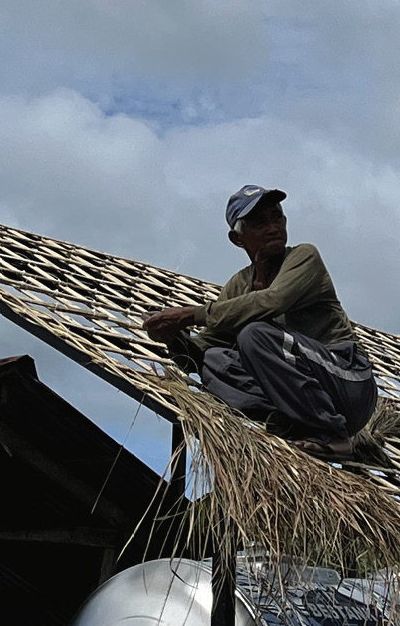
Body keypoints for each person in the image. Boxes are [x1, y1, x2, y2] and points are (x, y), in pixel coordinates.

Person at [144, 186, 377, 459]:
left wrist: (190, 315)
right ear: (237, 238)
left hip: (348, 381)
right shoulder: (238, 285)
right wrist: (173, 338)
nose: (272, 228)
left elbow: (272, 301)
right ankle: (286, 421)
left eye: (277, 218)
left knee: (254, 334)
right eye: (259, 222)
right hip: (300, 397)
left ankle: (333, 435)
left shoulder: (303, 257)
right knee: (216, 360)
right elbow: (200, 356)